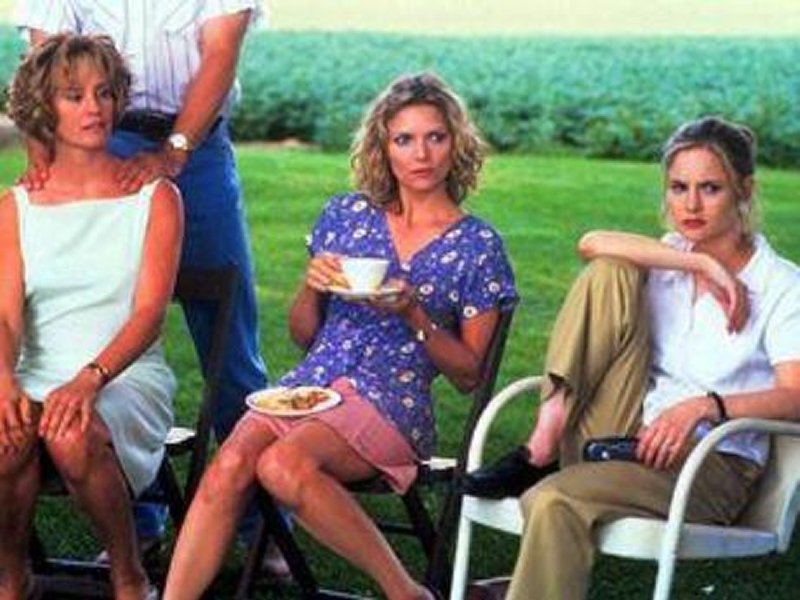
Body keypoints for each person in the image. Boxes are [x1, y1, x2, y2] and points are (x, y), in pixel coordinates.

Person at [162, 72, 518, 600]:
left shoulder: (477, 245)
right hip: (308, 387)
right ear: (383, 148)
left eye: (435, 137)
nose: (421, 154)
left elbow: (470, 375)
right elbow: (303, 334)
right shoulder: (346, 216)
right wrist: (312, 285)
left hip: (390, 401)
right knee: (229, 465)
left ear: (456, 143)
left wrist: (413, 313)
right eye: (404, 139)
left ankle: (405, 592)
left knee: (282, 465)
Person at [462, 116, 800, 599]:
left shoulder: (781, 285)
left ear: (744, 191)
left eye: (710, 188)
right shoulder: (668, 257)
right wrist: (700, 262)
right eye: (678, 188)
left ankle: (514, 588)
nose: (691, 204)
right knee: (610, 270)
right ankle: (545, 440)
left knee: (553, 498)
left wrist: (705, 407)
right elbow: (590, 243)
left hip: (710, 463)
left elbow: (796, 396)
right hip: (628, 437)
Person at [15, 0, 269, 551]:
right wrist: (43, 159)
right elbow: (44, 62)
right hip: (98, 135)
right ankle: (138, 526)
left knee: (229, 345)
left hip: (195, 147)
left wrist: (174, 152)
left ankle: (262, 526)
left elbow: (220, 51)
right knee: (94, 322)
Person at [0, 34, 182, 600]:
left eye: (104, 93)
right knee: (5, 430)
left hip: (124, 376)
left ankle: (129, 576)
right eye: (74, 95)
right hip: (36, 370)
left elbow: (149, 315)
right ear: (44, 106)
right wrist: (3, 378)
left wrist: (89, 379)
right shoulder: (16, 207)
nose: (94, 108)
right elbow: (5, 318)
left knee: (73, 430)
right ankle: (11, 578)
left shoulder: (155, 197)